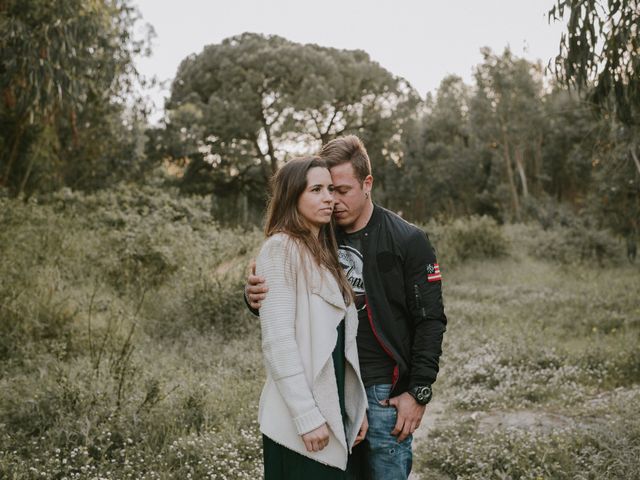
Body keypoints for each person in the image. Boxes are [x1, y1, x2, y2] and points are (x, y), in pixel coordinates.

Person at [247, 136, 447, 480]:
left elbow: (431, 321)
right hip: (332, 386)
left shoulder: (406, 239)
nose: (332, 200)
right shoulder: (319, 235)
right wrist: (253, 297)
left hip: (386, 390)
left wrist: (419, 391)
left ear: (367, 183)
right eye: (324, 190)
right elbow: (288, 306)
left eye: (340, 189)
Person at [255, 156, 369, 479]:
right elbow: (278, 343)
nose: (328, 198)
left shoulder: (323, 253)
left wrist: (355, 407)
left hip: (331, 409)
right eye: (316, 189)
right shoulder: (280, 249)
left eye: (331, 189)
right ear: (293, 197)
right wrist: (307, 417)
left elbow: (340, 346)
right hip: (299, 422)